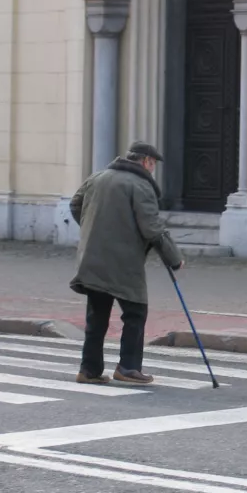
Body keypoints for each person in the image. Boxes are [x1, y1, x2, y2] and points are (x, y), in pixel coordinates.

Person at [69, 141, 183, 385]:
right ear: (146, 161)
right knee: (135, 312)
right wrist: (174, 259)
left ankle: (89, 370)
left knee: (97, 315)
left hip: (93, 257)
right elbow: (152, 228)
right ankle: (128, 367)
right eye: (153, 164)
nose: (152, 169)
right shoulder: (141, 186)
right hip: (124, 262)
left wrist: (94, 229)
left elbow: (75, 204)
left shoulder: (98, 177)